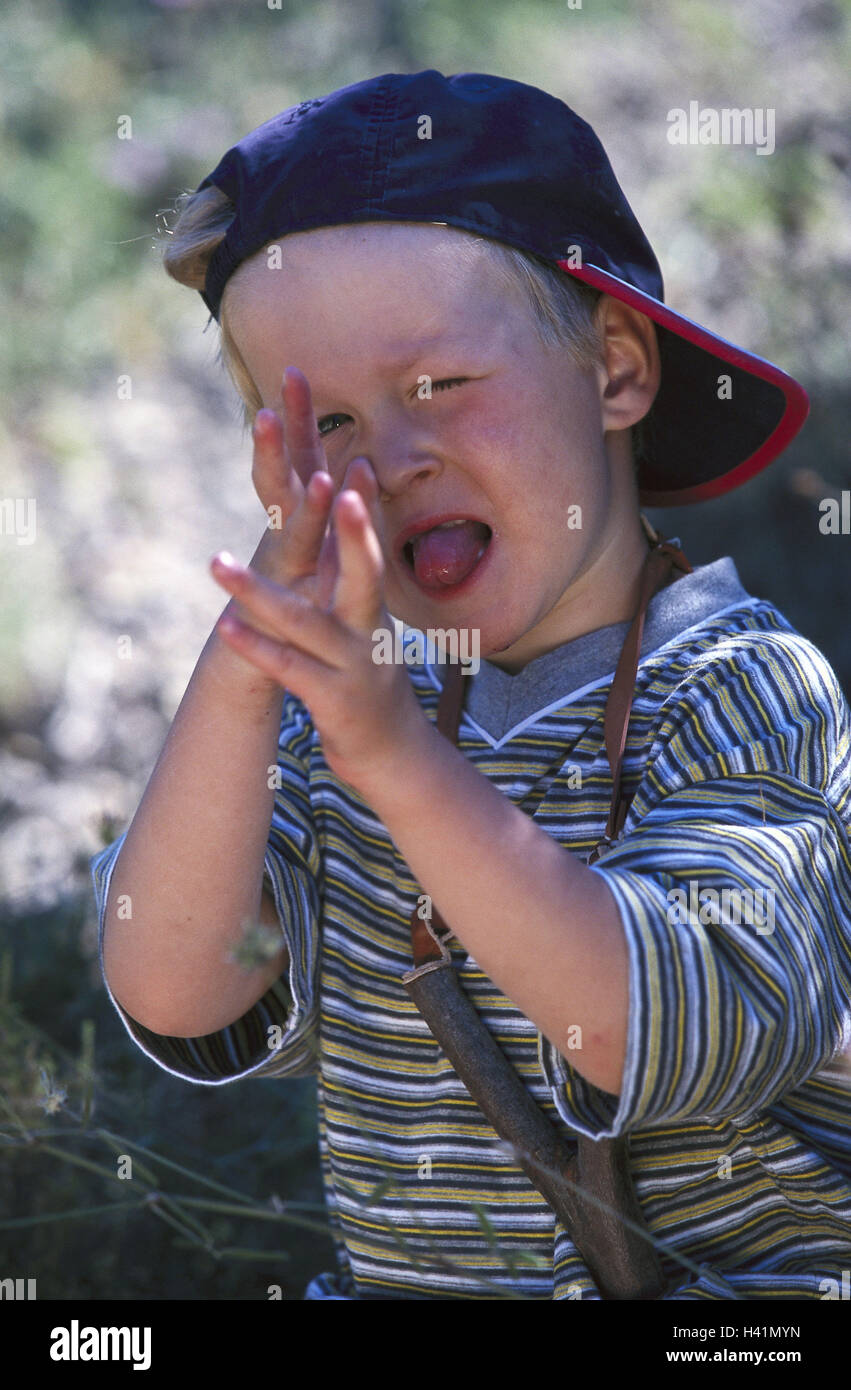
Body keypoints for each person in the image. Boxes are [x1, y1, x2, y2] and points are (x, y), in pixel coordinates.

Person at [91, 70, 851, 1300]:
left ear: (613, 370)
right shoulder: (332, 719)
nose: (388, 457)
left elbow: (644, 1026)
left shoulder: (741, 689)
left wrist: (394, 757)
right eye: (325, 421)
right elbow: (177, 986)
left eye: (437, 383)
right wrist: (249, 668)